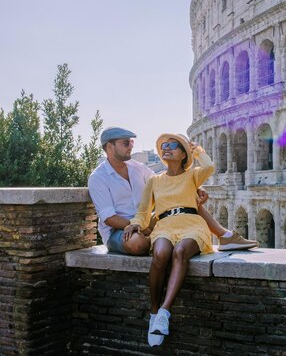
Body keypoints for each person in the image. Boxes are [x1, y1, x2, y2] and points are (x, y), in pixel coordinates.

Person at [88, 126, 259, 255]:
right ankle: (220, 236)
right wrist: (141, 227)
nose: (131, 146)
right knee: (139, 244)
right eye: (126, 143)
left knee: (185, 200)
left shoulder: (137, 168)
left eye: (131, 142)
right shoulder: (98, 178)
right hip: (119, 231)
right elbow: (110, 219)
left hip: (145, 223)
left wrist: (196, 187)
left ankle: (225, 236)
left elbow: (168, 183)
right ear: (109, 147)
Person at [123, 133, 214, 346]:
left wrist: (197, 150)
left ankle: (164, 312)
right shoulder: (155, 180)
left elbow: (209, 167)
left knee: (180, 252)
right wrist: (136, 222)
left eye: (173, 145)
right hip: (165, 225)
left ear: (183, 154)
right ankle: (153, 312)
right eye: (163, 146)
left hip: (191, 223)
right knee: (161, 254)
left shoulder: (192, 176)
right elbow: (144, 210)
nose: (166, 148)